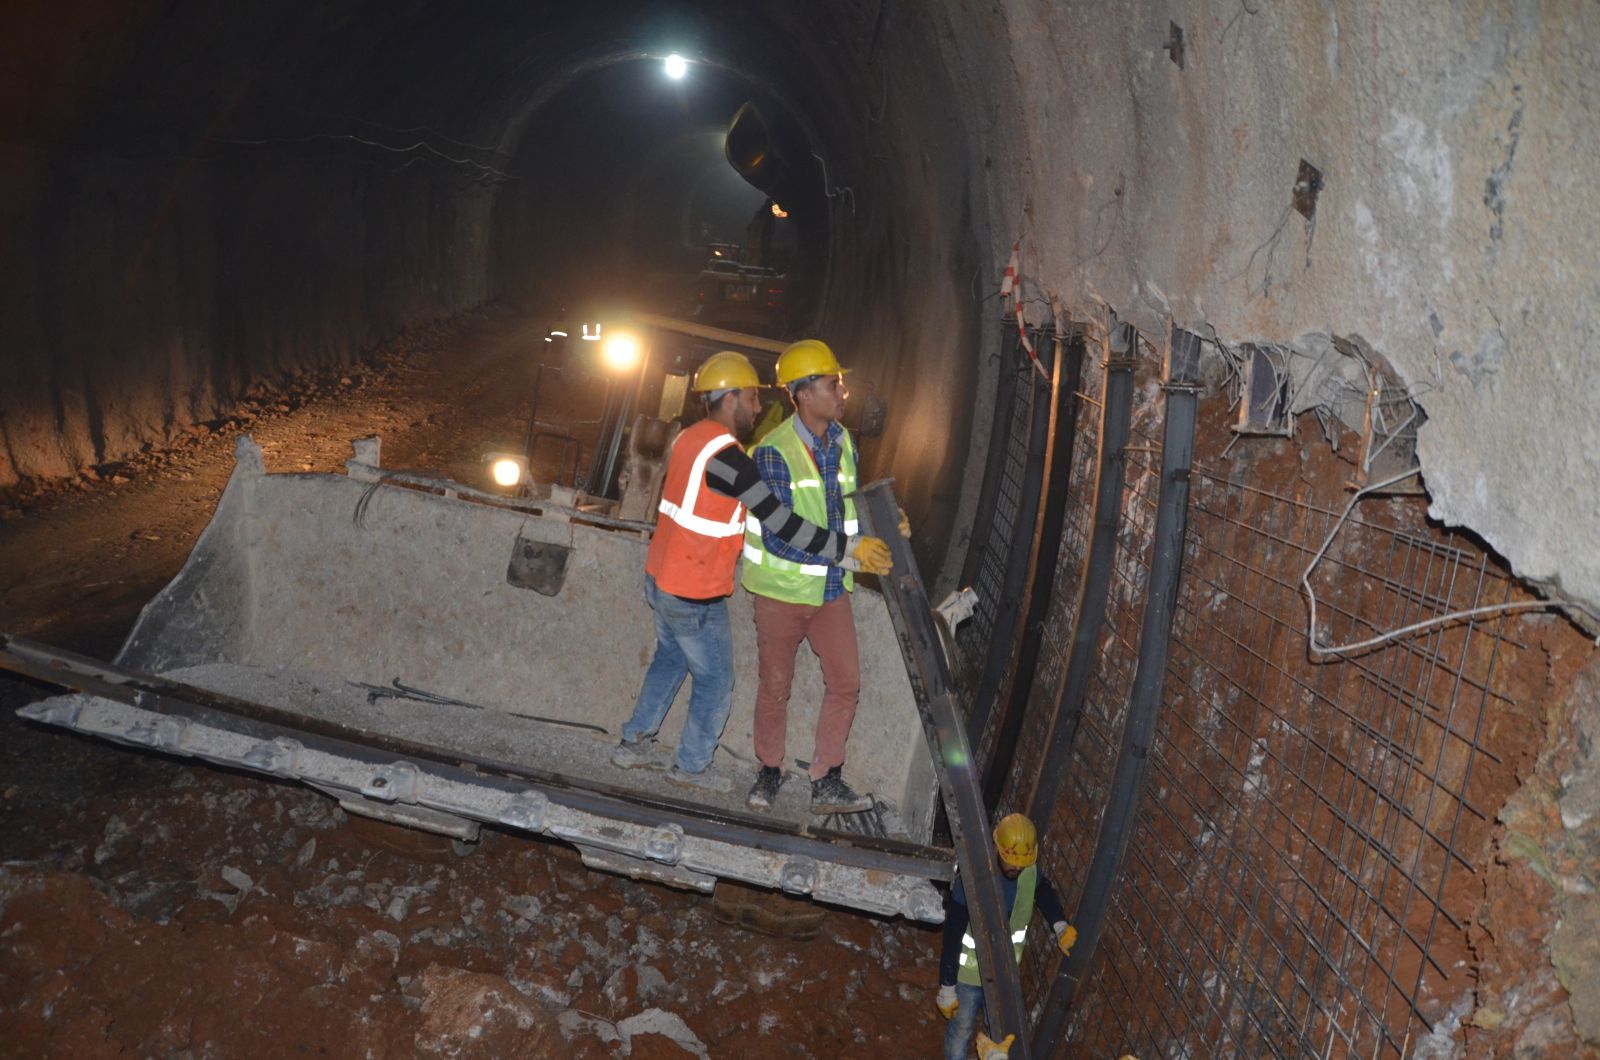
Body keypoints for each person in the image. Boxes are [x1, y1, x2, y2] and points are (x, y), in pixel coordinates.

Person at [611, 350, 892, 793]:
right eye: (751, 398)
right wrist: (849, 549)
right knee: (716, 681)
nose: (758, 408)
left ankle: (633, 743)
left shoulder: (688, 437)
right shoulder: (731, 460)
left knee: (670, 658)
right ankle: (691, 768)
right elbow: (782, 524)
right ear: (730, 400)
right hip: (693, 588)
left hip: (660, 576)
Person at [741, 338, 889, 815]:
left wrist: (883, 528)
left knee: (846, 683)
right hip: (782, 592)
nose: (843, 392)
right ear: (803, 394)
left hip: (830, 591)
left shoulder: (843, 442)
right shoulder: (772, 453)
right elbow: (782, 535)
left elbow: (844, 509)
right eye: (833, 384)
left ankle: (826, 779)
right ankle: (768, 769)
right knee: (776, 686)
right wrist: (852, 553)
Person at [936, 813, 1078, 1060]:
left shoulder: (1028, 871)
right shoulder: (974, 878)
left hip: (1004, 972)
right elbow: (953, 930)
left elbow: (1043, 891)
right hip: (969, 976)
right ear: (996, 849)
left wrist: (1060, 924)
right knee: (962, 1029)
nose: (1016, 868)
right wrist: (947, 985)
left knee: (1000, 1036)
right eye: (1011, 862)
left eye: (1021, 863)